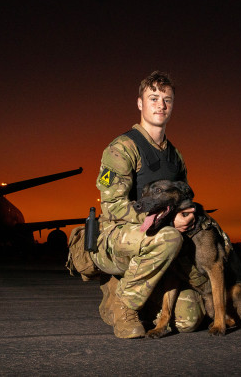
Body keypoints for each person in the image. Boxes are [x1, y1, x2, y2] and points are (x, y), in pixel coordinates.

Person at [90, 71, 207, 339]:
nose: (161, 105)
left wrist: (188, 214)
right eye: (153, 98)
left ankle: (143, 297)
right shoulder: (123, 147)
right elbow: (113, 207)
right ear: (140, 103)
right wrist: (168, 221)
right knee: (167, 237)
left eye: (167, 99)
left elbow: (184, 198)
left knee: (191, 318)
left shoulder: (175, 157)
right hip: (114, 238)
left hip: (157, 236)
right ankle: (123, 304)